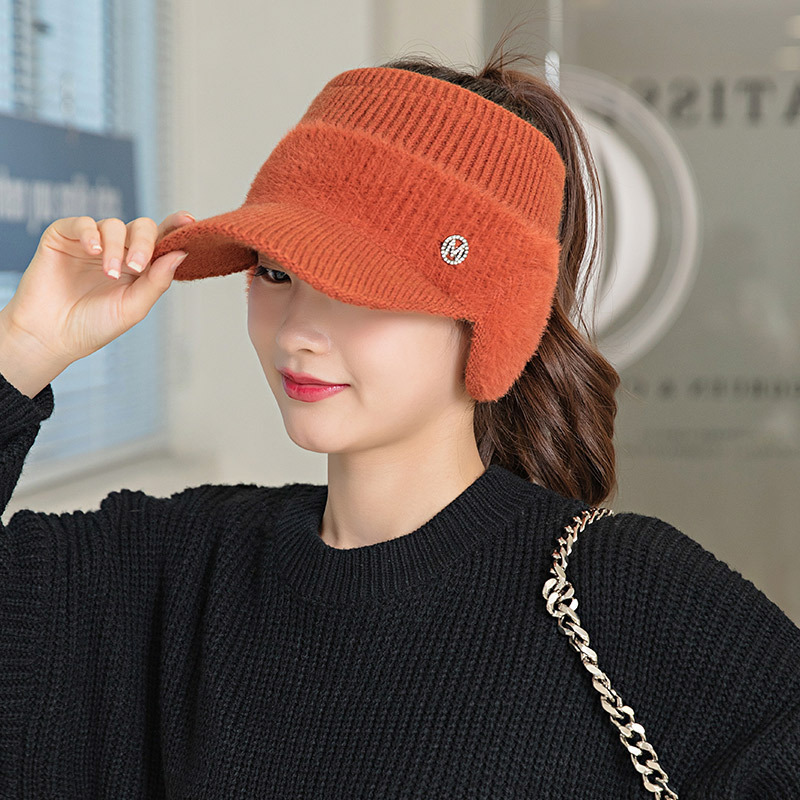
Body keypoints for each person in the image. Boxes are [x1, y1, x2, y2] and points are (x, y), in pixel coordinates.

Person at [1, 36, 799, 800]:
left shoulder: (624, 593)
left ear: (489, 321)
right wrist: (23, 350)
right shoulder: (173, 569)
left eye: (360, 285)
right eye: (275, 273)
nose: (299, 331)